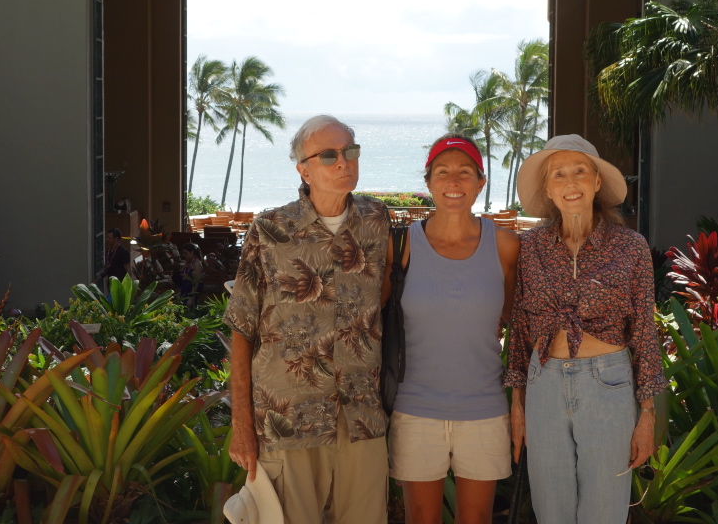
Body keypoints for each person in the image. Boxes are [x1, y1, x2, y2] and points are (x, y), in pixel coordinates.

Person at [225, 114, 391, 524]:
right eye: (329, 154)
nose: (343, 162)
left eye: (350, 151)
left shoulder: (377, 222)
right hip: (288, 418)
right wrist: (242, 425)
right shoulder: (269, 229)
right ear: (303, 168)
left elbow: (386, 297)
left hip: (361, 417)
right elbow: (242, 328)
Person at [505, 134, 668, 524]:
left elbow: (645, 329)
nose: (570, 182)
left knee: (604, 511)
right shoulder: (531, 247)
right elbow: (522, 328)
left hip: (608, 385)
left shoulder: (631, 247)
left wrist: (647, 413)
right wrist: (517, 403)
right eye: (559, 174)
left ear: (597, 182)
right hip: (543, 383)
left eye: (580, 171)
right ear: (548, 189)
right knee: (551, 510)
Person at [381, 134, 521, 524]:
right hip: (415, 408)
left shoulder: (506, 246)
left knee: (476, 519)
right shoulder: (401, 246)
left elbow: (520, 324)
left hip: (485, 407)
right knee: (421, 518)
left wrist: (523, 399)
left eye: (465, 172)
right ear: (428, 183)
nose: (454, 181)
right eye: (443, 172)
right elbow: (375, 320)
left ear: (481, 182)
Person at [174, 242, 203, 307]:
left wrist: (191, 298)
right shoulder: (189, 262)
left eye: (186, 253)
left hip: (190, 292)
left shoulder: (197, 264)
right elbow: (180, 273)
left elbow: (196, 282)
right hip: (184, 290)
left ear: (192, 252)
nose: (184, 255)